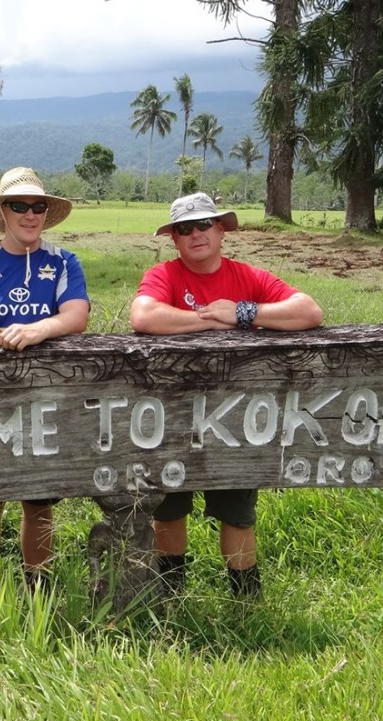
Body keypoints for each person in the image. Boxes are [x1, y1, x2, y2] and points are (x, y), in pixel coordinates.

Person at [129, 192, 323, 599]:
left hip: (238, 416)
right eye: (185, 229)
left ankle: (246, 602)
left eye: (203, 225)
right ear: (174, 239)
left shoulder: (248, 277)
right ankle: (172, 594)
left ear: (221, 230)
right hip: (174, 415)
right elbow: (144, 315)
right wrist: (210, 321)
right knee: (169, 510)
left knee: (238, 514)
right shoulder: (164, 274)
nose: (195, 234)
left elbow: (308, 311)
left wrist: (244, 313)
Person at [0, 167, 90, 587]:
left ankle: (37, 584)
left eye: (38, 206)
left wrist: (38, 329)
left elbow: (76, 315)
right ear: (2, 211)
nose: (30, 215)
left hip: (48, 400)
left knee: (39, 501)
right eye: (19, 206)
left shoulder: (63, 262)